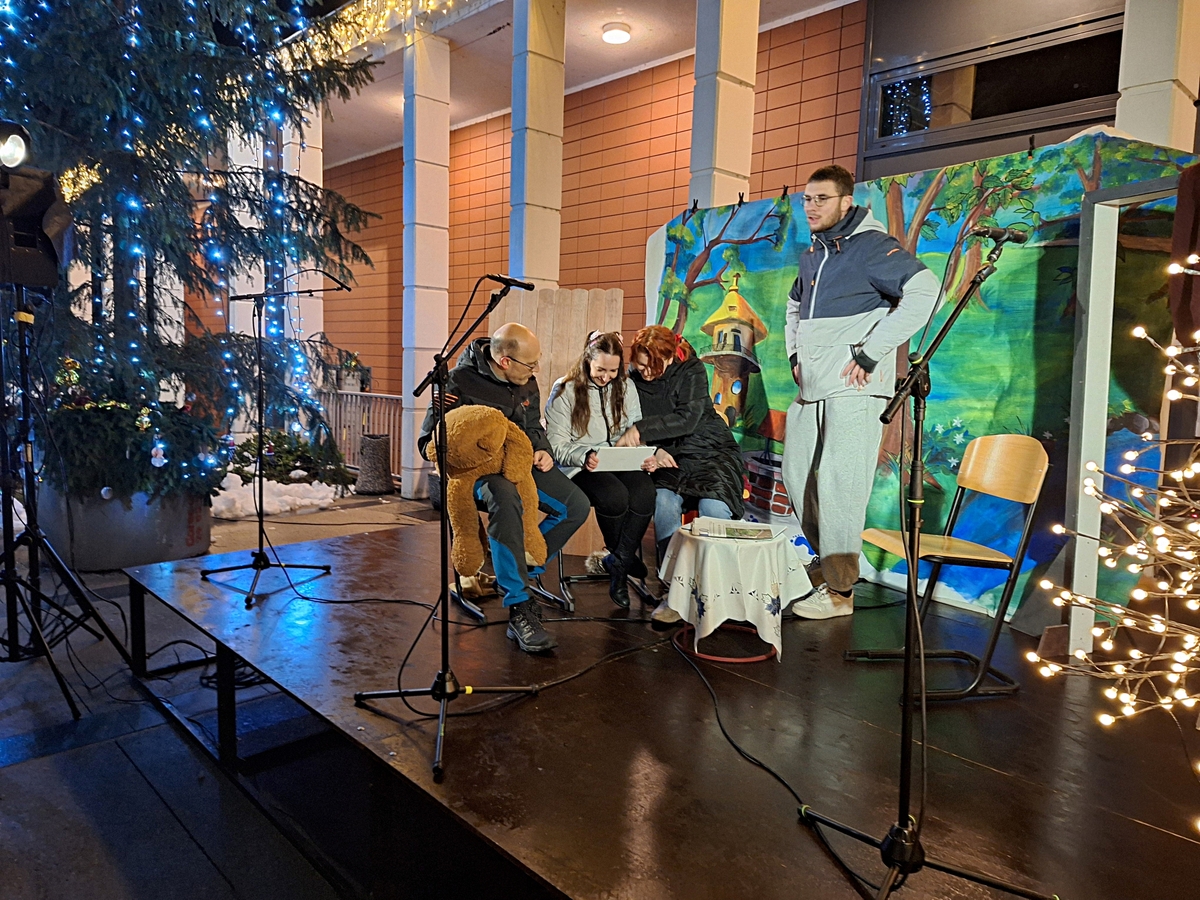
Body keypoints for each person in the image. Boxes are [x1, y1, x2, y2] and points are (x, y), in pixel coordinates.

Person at [781, 164, 940, 619]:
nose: (811, 207)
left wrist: (870, 353)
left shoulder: (871, 247)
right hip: (813, 388)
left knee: (840, 487)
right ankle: (829, 565)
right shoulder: (814, 253)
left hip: (854, 390)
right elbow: (794, 306)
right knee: (797, 477)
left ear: (846, 202)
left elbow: (927, 292)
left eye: (822, 199)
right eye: (807, 199)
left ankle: (840, 592)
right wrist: (795, 356)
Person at [418, 322, 590, 653]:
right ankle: (519, 605)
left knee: (576, 506)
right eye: (531, 364)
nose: (536, 370)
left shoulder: (526, 381)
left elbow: (533, 427)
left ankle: (517, 571)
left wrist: (542, 449)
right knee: (505, 496)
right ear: (505, 361)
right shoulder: (458, 381)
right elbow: (428, 441)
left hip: (520, 460)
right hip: (478, 473)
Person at [618, 324, 747, 625]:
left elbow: (688, 419)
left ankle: (715, 590)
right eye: (639, 365)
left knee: (712, 508)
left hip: (710, 450)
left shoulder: (691, 370)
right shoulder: (633, 379)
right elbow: (626, 417)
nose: (644, 372)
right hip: (669, 454)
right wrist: (653, 449)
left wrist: (641, 431)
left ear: (667, 357)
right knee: (663, 502)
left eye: (650, 366)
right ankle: (674, 590)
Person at [544, 332, 656, 608]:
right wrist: (584, 456)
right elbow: (556, 445)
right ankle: (624, 561)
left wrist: (642, 450)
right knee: (614, 495)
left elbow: (636, 426)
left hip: (619, 459)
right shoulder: (565, 389)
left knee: (645, 491)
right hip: (580, 464)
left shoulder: (626, 387)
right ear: (587, 361)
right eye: (600, 370)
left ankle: (618, 561)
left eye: (613, 371)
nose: (606, 377)